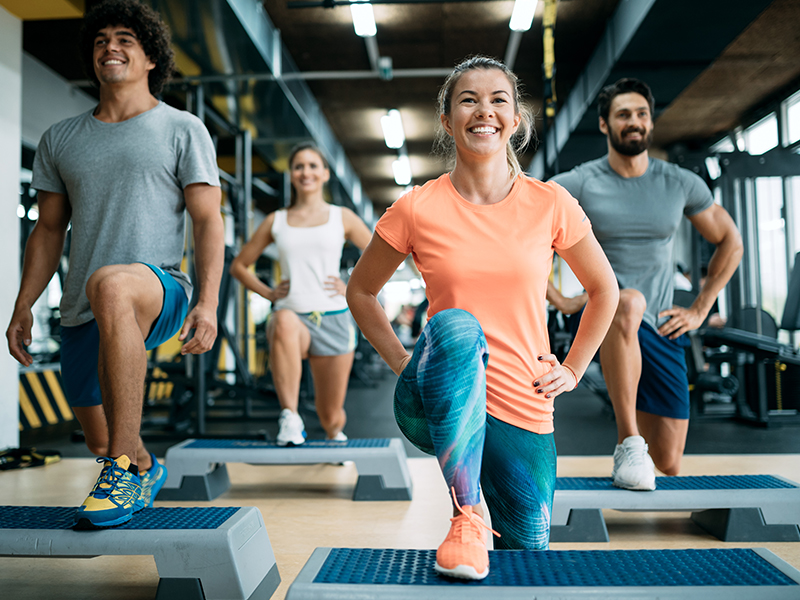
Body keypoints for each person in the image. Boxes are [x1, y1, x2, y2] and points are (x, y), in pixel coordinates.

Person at [346, 56, 618, 580]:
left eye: (498, 100)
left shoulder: (550, 203)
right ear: (447, 121)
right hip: (441, 396)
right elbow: (361, 292)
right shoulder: (416, 208)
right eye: (468, 100)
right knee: (456, 325)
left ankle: (486, 530)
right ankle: (465, 515)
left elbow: (604, 289)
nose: (483, 111)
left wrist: (575, 367)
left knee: (527, 554)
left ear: (515, 121)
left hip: (524, 398)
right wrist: (406, 363)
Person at [6, 0, 224, 529]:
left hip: (160, 286)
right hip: (85, 304)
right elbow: (49, 230)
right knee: (99, 436)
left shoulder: (181, 128)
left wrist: (207, 302)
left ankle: (124, 466)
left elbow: (208, 221)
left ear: (151, 58)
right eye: (102, 39)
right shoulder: (61, 138)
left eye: (126, 38)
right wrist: (22, 306)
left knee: (113, 284)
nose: (112, 46)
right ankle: (138, 464)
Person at [549, 78, 742, 490]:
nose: (633, 122)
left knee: (669, 461)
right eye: (623, 115)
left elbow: (730, 241)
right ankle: (628, 441)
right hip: (601, 312)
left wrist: (700, 308)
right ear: (605, 125)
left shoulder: (679, 182)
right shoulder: (581, 182)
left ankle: (641, 447)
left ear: (651, 122)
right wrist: (561, 300)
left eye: (641, 114)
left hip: (659, 323)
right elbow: (524, 229)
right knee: (626, 300)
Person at [230, 143, 372, 445]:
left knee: (331, 416)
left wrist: (351, 286)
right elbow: (240, 266)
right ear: (291, 175)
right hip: (292, 314)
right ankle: (290, 417)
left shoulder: (341, 217)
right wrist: (269, 293)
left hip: (334, 318)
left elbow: (380, 253)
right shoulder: (276, 221)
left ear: (325, 173)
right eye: (298, 166)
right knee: (281, 319)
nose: (305, 172)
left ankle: (334, 435)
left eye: (312, 166)